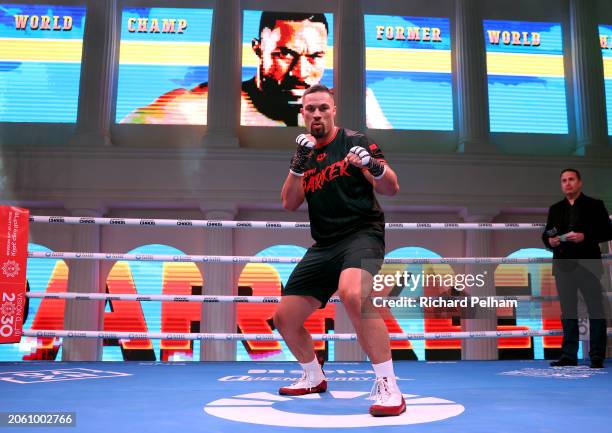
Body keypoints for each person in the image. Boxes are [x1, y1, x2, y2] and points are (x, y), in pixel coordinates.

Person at [274, 83, 404, 416]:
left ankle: (390, 387)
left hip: (363, 234)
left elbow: (391, 187)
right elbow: (289, 203)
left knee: (353, 294)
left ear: (333, 111)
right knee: (285, 318)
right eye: (310, 109)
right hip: (325, 245)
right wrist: (296, 165)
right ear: (302, 113)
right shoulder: (304, 154)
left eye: (323, 108)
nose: (317, 114)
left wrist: (372, 166)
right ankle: (313, 376)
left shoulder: (355, 142)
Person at [121, 12, 390, 127]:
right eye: (286, 54)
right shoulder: (199, 106)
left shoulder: (354, 105)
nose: (301, 72)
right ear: (257, 49)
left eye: (316, 56)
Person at [542, 168, 611, 369]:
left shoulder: (595, 205)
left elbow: (608, 230)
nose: (567, 183)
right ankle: (568, 356)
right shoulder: (555, 209)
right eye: (564, 180)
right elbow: (547, 232)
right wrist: (550, 241)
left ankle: (597, 356)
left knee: (595, 309)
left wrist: (585, 236)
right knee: (568, 311)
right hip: (564, 265)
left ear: (579, 182)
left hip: (588, 263)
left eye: (571, 179)